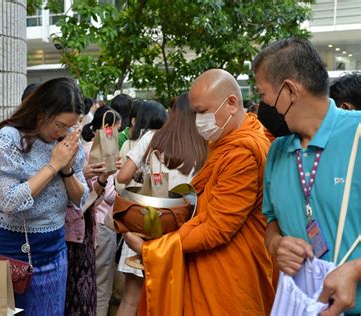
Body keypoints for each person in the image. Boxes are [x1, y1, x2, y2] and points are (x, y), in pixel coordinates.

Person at [125, 69, 275, 315]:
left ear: (232, 103)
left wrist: (152, 249)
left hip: (229, 277)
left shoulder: (243, 152)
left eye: (202, 112)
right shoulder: (226, 141)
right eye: (194, 113)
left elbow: (217, 227)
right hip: (211, 266)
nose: (197, 121)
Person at [253, 38, 361, 315]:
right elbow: (272, 221)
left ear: (289, 91)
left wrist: (356, 270)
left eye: (263, 94)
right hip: (301, 307)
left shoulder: (358, 134)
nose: (260, 105)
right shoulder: (277, 150)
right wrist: (277, 244)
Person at [0, 77, 89, 315]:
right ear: (41, 111)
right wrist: (53, 165)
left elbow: (81, 198)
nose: (62, 132)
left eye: (69, 126)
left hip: (54, 246)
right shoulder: (7, 139)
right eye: (59, 124)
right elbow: (9, 201)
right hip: (10, 249)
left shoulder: (67, 140)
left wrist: (67, 169)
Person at [116, 94, 207, 316]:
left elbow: (121, 177)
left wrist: (142, 175)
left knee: (130, 299)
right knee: (172, 298)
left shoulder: (152, 138)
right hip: (179, 234)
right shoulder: (205, 147)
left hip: (143, 226)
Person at [66, 106, 122, 316]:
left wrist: (103, 178)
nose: (77, 128)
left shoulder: (83, 148)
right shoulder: (75, 152)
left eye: (79, 122)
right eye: (72, 123)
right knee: (97, 285)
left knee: (86, 287)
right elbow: (103, 196)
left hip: (87, 225)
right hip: (84, 227)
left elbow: (92, 193)